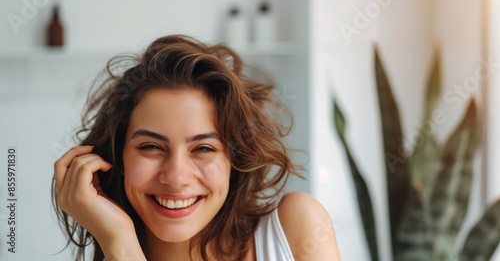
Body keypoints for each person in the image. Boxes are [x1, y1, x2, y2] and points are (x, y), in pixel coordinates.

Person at [52, 35, 340, 261]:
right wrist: (119, 245)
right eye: (151, 147)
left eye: (203, 148)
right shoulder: (120, 253)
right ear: (117, 158)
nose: (176, 178)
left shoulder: (293, 230)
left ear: (234, 156)